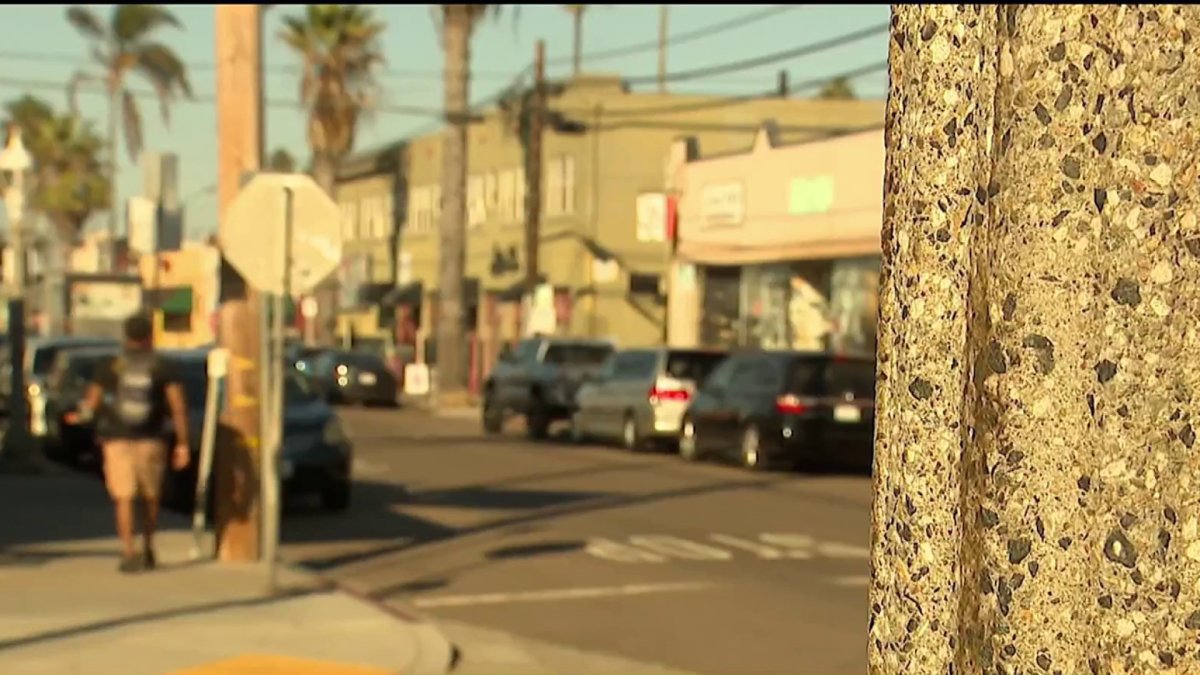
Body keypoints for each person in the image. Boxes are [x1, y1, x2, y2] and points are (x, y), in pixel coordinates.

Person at [70, 313, 190, 573]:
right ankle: (148, 546)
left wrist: (80, 417)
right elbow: (177, 407)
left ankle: (128, 551)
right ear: (150, 334)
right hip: (152, 439)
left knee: (124, 498)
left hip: (116, 440)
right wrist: (182, 443)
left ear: (126, 336)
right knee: (150, 497)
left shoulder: (113, 366)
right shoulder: (161, 366)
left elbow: (91, 403)